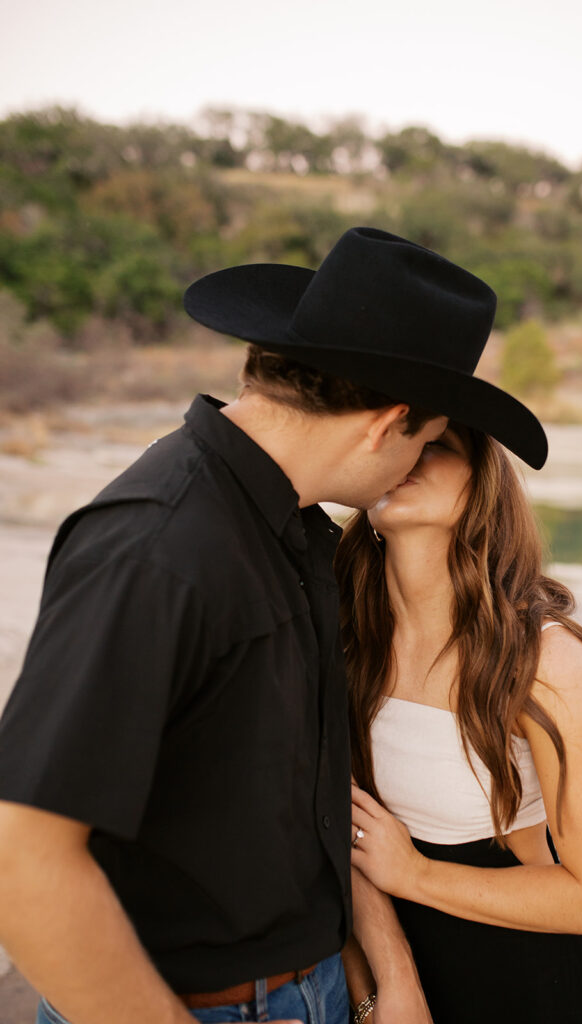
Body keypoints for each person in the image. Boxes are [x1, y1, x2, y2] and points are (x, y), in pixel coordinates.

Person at [0, 226, 546, 1024]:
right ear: (382, 422)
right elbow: (22, 859)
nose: (413, 467)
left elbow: (314, 796)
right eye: (424, 440)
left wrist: (387, 977)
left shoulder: (292, 530)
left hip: (314, 984)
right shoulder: (160, 548)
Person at [334, 419, 582, 1023]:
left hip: (525, 988)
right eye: (397, 437)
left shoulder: (544, 659)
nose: (407, 453)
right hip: (397, 984)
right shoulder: (347, 637)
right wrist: (374, 991)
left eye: (435, 444)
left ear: (482, 487)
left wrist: (416, 873)